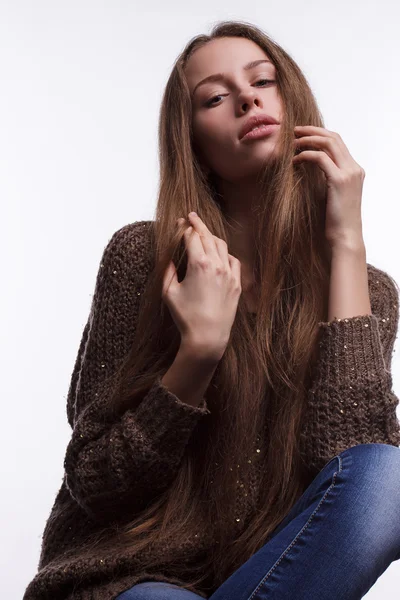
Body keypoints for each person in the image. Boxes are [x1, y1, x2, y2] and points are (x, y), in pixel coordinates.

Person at [23, 20, 400, 600]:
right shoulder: (145, 260)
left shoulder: (368, 291)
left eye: (263, 81)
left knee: (390, 473)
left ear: (291, 97)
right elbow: (94, 483)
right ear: (192, 140)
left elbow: (351, 475)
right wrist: (196, 354)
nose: (247, 98)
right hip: (129, 579)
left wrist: (346, 242)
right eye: (216, 97)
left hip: (273, 581)